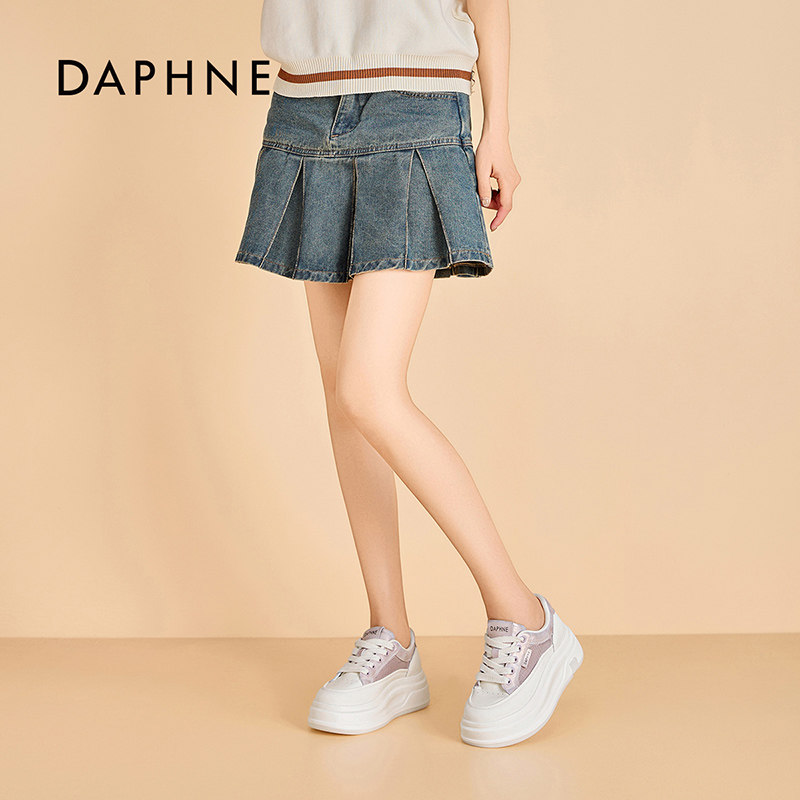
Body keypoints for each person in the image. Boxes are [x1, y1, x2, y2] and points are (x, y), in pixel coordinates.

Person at [234, 0, 583, 748]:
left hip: (415, 101)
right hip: (305, 102)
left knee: (368, 388)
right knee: (344, 399)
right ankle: (389, 637)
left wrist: (497, 126)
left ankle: (525, 618)